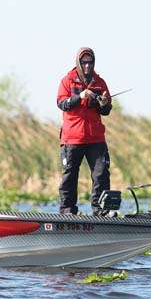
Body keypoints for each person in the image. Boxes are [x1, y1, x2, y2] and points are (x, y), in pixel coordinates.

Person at [56, 47, 113, 215]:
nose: (87, 66)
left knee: (101, 174)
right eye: (84, 62)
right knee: (70, 176)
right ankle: (67, 210)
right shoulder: (67, 81)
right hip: (72, 138)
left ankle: (101, 210)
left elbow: (106, 110)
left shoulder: (99, 82)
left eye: (90, 62)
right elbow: (61, 103)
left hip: (96, 138)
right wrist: (80, 96)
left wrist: (104, 103)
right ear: (78, 63)